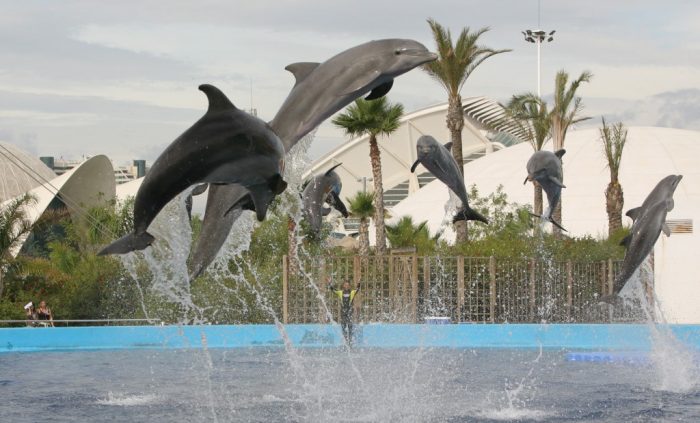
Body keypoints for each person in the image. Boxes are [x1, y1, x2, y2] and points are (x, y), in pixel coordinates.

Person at [328, 279, 360, 345]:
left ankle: (350, 343)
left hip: (350, 313)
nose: (346, 286)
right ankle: (345, 343)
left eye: (348, 285)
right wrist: (330, 283)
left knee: (350, 328)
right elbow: (333, 290)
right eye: (345, 285)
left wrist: (359, 282)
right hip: (343, 313)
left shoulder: (352, 292)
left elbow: (357, 289)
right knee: (343, 328)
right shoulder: (340, 292)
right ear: (343, 285)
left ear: (349, 286)